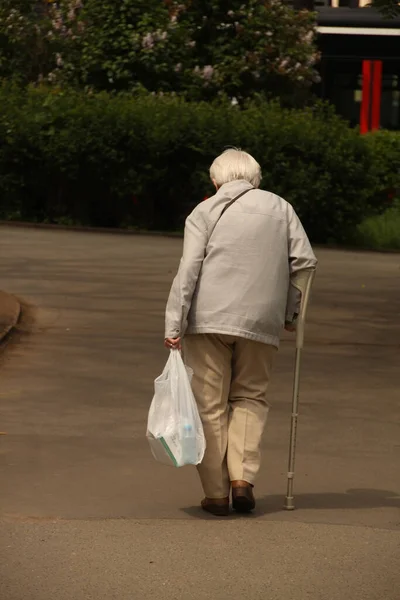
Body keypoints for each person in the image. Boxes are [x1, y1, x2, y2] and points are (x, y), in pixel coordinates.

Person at [164, 149, 317, 516]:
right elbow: (305, 262)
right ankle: (242, 480)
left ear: (215, 180)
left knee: (209, 405)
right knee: (250, 396)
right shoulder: (281, 208)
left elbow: (189, 271)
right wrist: (290, 315)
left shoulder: (204, 211)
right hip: (260, 320)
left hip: (208, 318)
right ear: (255, 178)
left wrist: (174, 323)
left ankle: (216, 494)